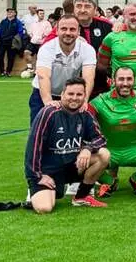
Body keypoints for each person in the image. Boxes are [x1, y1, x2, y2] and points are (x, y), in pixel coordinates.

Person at [25, 77, 110, 212]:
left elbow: (100, 139)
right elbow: (33, 147)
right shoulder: (49, 112)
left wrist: (87, 148)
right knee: (44, 208)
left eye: (79, 94)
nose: (74, 98)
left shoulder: (86, 112)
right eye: (70, 94)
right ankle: (37, 191)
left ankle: (82, 197)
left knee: (103, 154)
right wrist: (37, 175)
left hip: (72, 166)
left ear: (84, 96)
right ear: (62, 94)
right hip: (49, 171)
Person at [88, 65, 136, 197]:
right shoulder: (99, 102)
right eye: (121, 79)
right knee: (84, 162)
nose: (125, 83)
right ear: (113, 81)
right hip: (109, 149)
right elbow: (84, 121)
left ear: (134, 81)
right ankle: (110, 181)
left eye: (129, 79)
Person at [30, 15, 97, 124]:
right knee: (40, 132)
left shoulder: (87, 49)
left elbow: (88, 77)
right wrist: (48, 102)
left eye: (72, 29)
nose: (68, 33)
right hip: (42, 93)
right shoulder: (46, 49)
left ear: (78, 31)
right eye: (64, 29)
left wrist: (84, 100)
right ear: (57, 31)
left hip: (70, 94)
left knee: (68, 132)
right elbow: (43, 76)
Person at [0, 8, 25, 77]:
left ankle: (8, 72)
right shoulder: (3, 21)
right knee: (0, 56)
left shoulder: (18, 22)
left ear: (15, 13)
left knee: (11, 58)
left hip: (12, 42)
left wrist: (15, 39)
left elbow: (20, 32)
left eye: (11, 12)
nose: (9, 13)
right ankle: (1, 72)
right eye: (8, 12)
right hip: (1, 42)